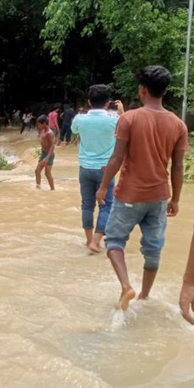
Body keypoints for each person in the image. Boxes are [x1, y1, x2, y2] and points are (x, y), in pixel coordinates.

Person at [96, 65, 187, 310]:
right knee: (153, 248)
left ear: (142, 90)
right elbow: (177, 167)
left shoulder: (130, 118)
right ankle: (145, 297)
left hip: (129, 195)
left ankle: (126, 286)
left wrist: (103, 187)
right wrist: (176, 199)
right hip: (159, 196)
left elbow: (116, 158)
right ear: (165, 91)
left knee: (114, 241)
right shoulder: (179, 125)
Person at [71, 85, 124, 253]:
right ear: (108, 103)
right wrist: (122, 111)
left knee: (87, 205)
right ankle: (96, 241)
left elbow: (74, 131)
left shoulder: (80, 119)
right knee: (106, 205)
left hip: (85, 167)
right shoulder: (114, 119)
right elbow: (129, 126)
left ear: (88, 101)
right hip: (105, 169)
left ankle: (88, 241)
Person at [35, 115, 55, 190]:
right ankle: (38, 187)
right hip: (43, 153)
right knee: (37, 171)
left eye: (39, 124)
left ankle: (52, 189)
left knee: (47, 173)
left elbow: (52, 146)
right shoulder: (43, 130)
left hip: (48, 155)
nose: (38, 126)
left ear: (44, 123)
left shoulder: (50, 133)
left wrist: (47, 157)